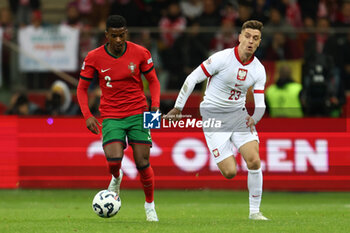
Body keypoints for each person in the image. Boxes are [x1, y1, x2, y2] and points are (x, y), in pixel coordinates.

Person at [164, 20, 268, 220]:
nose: (250, 41)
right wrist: (178, 107)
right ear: (239, 37)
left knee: (254, 160)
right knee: (230, 172)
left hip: (238, 115)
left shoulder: (258, 70)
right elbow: (192, 78)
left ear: (259, 42)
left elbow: (260, 102)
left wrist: (254, 118)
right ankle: (224, 149)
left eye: (255, 38)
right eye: (247, 36)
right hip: (213, 116)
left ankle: (255, 212)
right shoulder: (222, 58)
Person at [77, 15, 160, 222]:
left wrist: (155, 108)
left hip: (139, 112)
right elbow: (81, 88)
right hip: (111, 114)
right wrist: (87, 115)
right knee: (114, 161)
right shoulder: (94, 57)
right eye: (113, 36)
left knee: (143, 162)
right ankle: (117, 176)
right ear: (107, 35)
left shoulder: (141, 52)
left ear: (126, 33)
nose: (118, 40)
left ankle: (149, 205)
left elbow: (154, 81)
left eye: (121, 35)